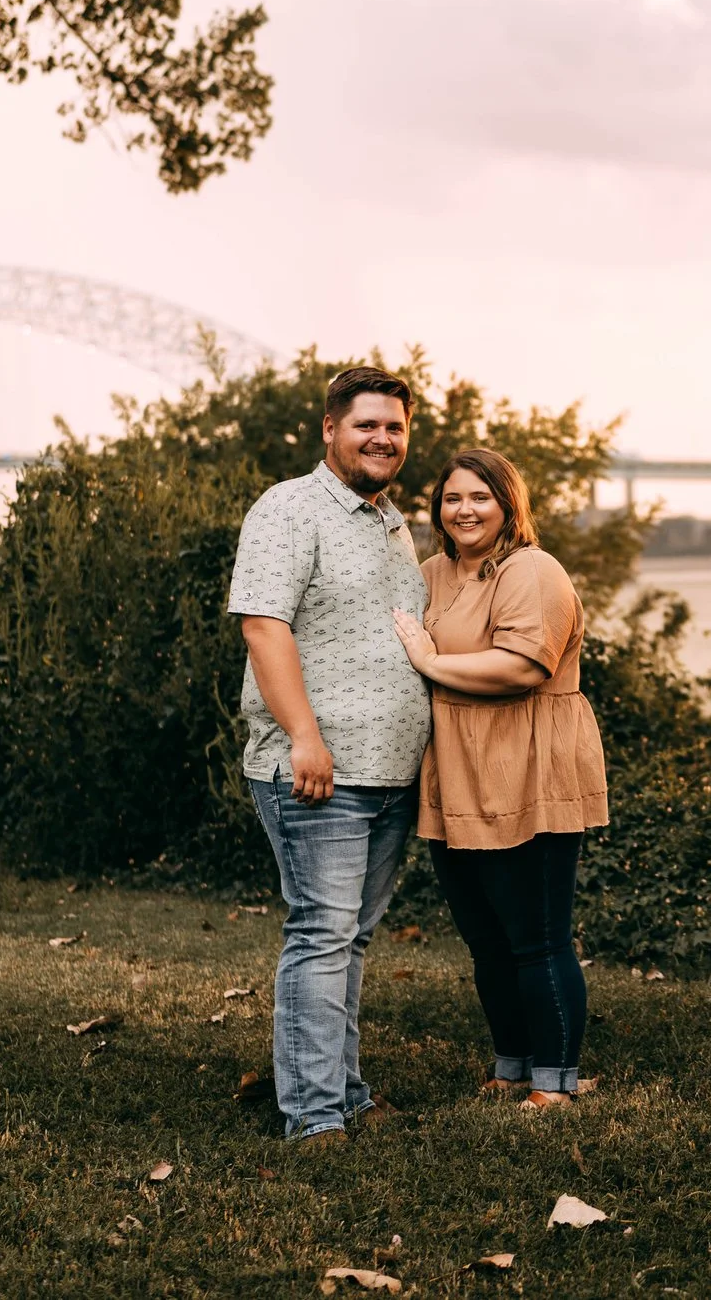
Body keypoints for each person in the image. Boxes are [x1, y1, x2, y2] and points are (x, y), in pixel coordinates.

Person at [226, 365, 431, 1143]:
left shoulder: (390, 520)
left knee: (350, 937)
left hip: (391, 773)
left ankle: (346, 1093)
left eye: (395, 428)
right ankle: (311, 1117)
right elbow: (263, 626)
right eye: (366, 425)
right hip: (319, 771)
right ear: (329, 429)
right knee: (321, 933)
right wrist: (306, 735)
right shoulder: (290, 507)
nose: (382, 438)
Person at [390, 448, 607, 1109]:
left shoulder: (530, 569)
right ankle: (510, 1066)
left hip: (526, 763)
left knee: (536, 936)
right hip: (456, 771)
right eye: (452, 498)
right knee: (486, 940)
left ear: (509, 503)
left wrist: (429, 662)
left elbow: (521, 666)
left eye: (479, 496)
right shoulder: (431, 571)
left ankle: (555, 1084)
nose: (464, 510)